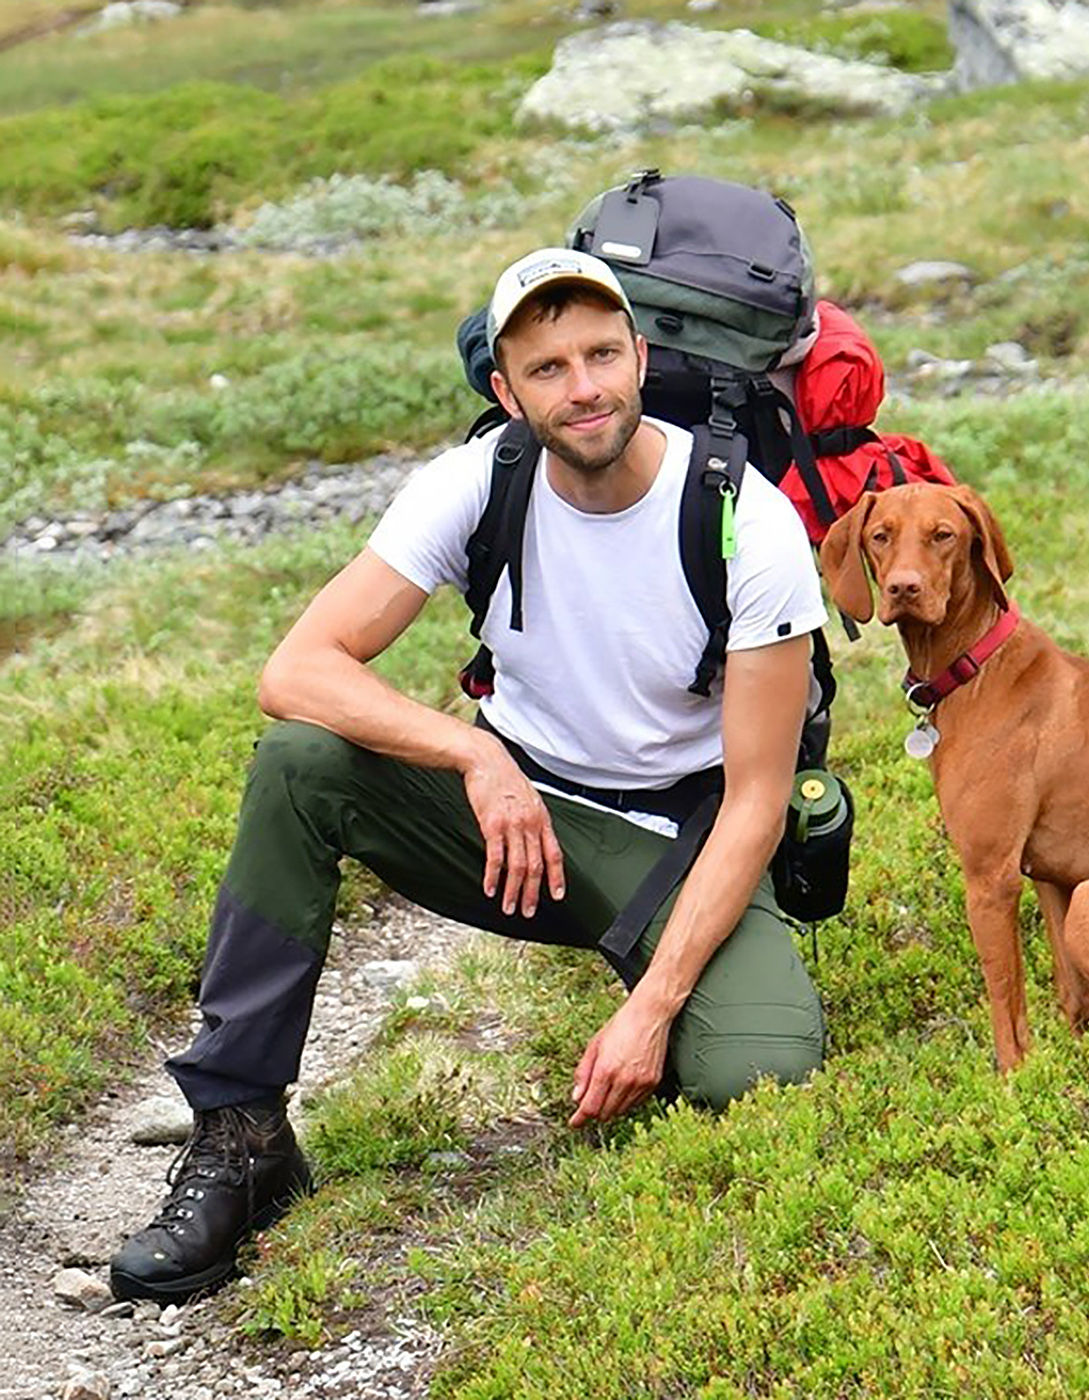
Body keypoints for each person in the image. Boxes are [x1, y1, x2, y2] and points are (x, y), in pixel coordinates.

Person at [109, 248, 829, 1304]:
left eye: (601, 355)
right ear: (506, 388)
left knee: (755, 1076)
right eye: (547, 368)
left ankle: (673, 1004)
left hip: (681, 840)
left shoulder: (746, 519)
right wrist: (474, 751)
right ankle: (243, 1135)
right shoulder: (476, 482)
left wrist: (654, 1006)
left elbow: (760, 796)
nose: (583, 388)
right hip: (512, 824)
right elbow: (295, 670)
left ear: (639, 356)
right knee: (302, 760)